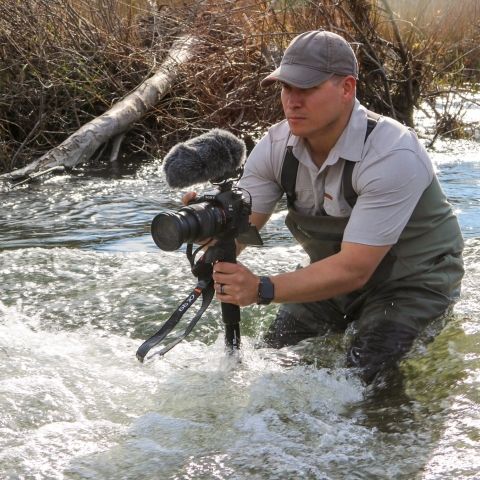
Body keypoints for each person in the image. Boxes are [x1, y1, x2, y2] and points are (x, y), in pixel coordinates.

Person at [184, 30, 464, 384]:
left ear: (347, 88)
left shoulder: (393, 154)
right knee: (273, 368)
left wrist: (262, 289)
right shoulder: (274, 147)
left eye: (307, 89)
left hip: (413, 284)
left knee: (361, 382)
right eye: (286, 87)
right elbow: (239, 230)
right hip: (333, 278)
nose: (292, 101)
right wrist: (209, 226)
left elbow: (354, 269)